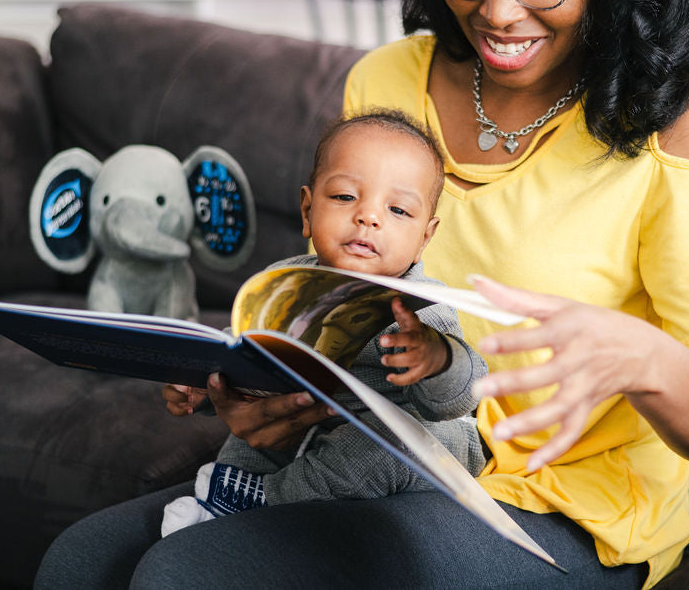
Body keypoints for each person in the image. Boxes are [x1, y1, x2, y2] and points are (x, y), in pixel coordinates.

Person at [35, 0, 689, 588]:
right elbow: (339, 307)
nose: (497, 10)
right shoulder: (387, 82)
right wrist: (267, 398)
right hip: (372, 464)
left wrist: (642, 356)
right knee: (81, 563)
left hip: (571, 511)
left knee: (186, 573)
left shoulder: (680, 121)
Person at [158, 110, 486, 537]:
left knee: (382, 444)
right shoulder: (286, 282)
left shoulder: (422, 307)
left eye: (399, 210)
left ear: (426, 236)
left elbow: (461, 397)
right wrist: (202, 380)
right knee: (249, 434)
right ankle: (229, 497)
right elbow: (248, 345)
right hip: (316, 423)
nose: (369, 217)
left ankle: (262, 502)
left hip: (421, 441)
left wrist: (439, 358)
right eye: (346, 198)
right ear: (308, 210)